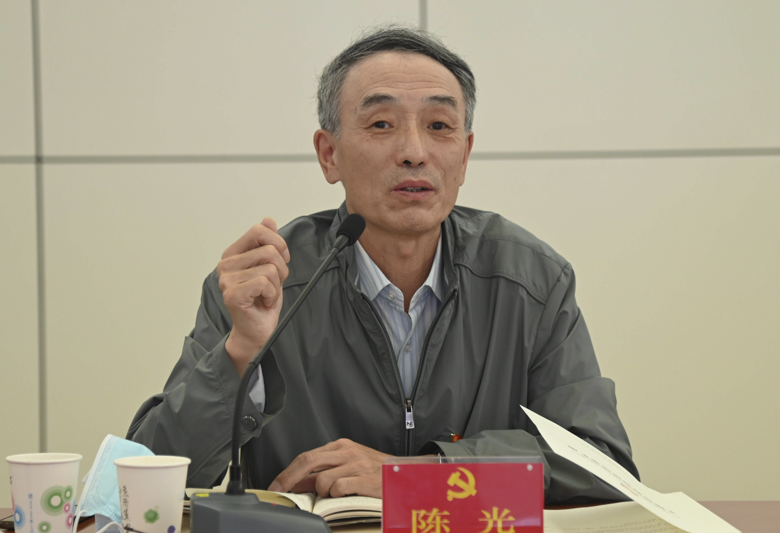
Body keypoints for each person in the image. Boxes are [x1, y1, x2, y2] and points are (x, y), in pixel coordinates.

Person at [128, 25, 638, 505]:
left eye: (438, 126)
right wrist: (240, 353)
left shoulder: (531, 281)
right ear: (329, 155)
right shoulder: (268, 285)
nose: (414, 152)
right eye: (381, 124)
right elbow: (142, 485)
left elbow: (602, 464)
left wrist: (418, 476)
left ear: (464, 155)